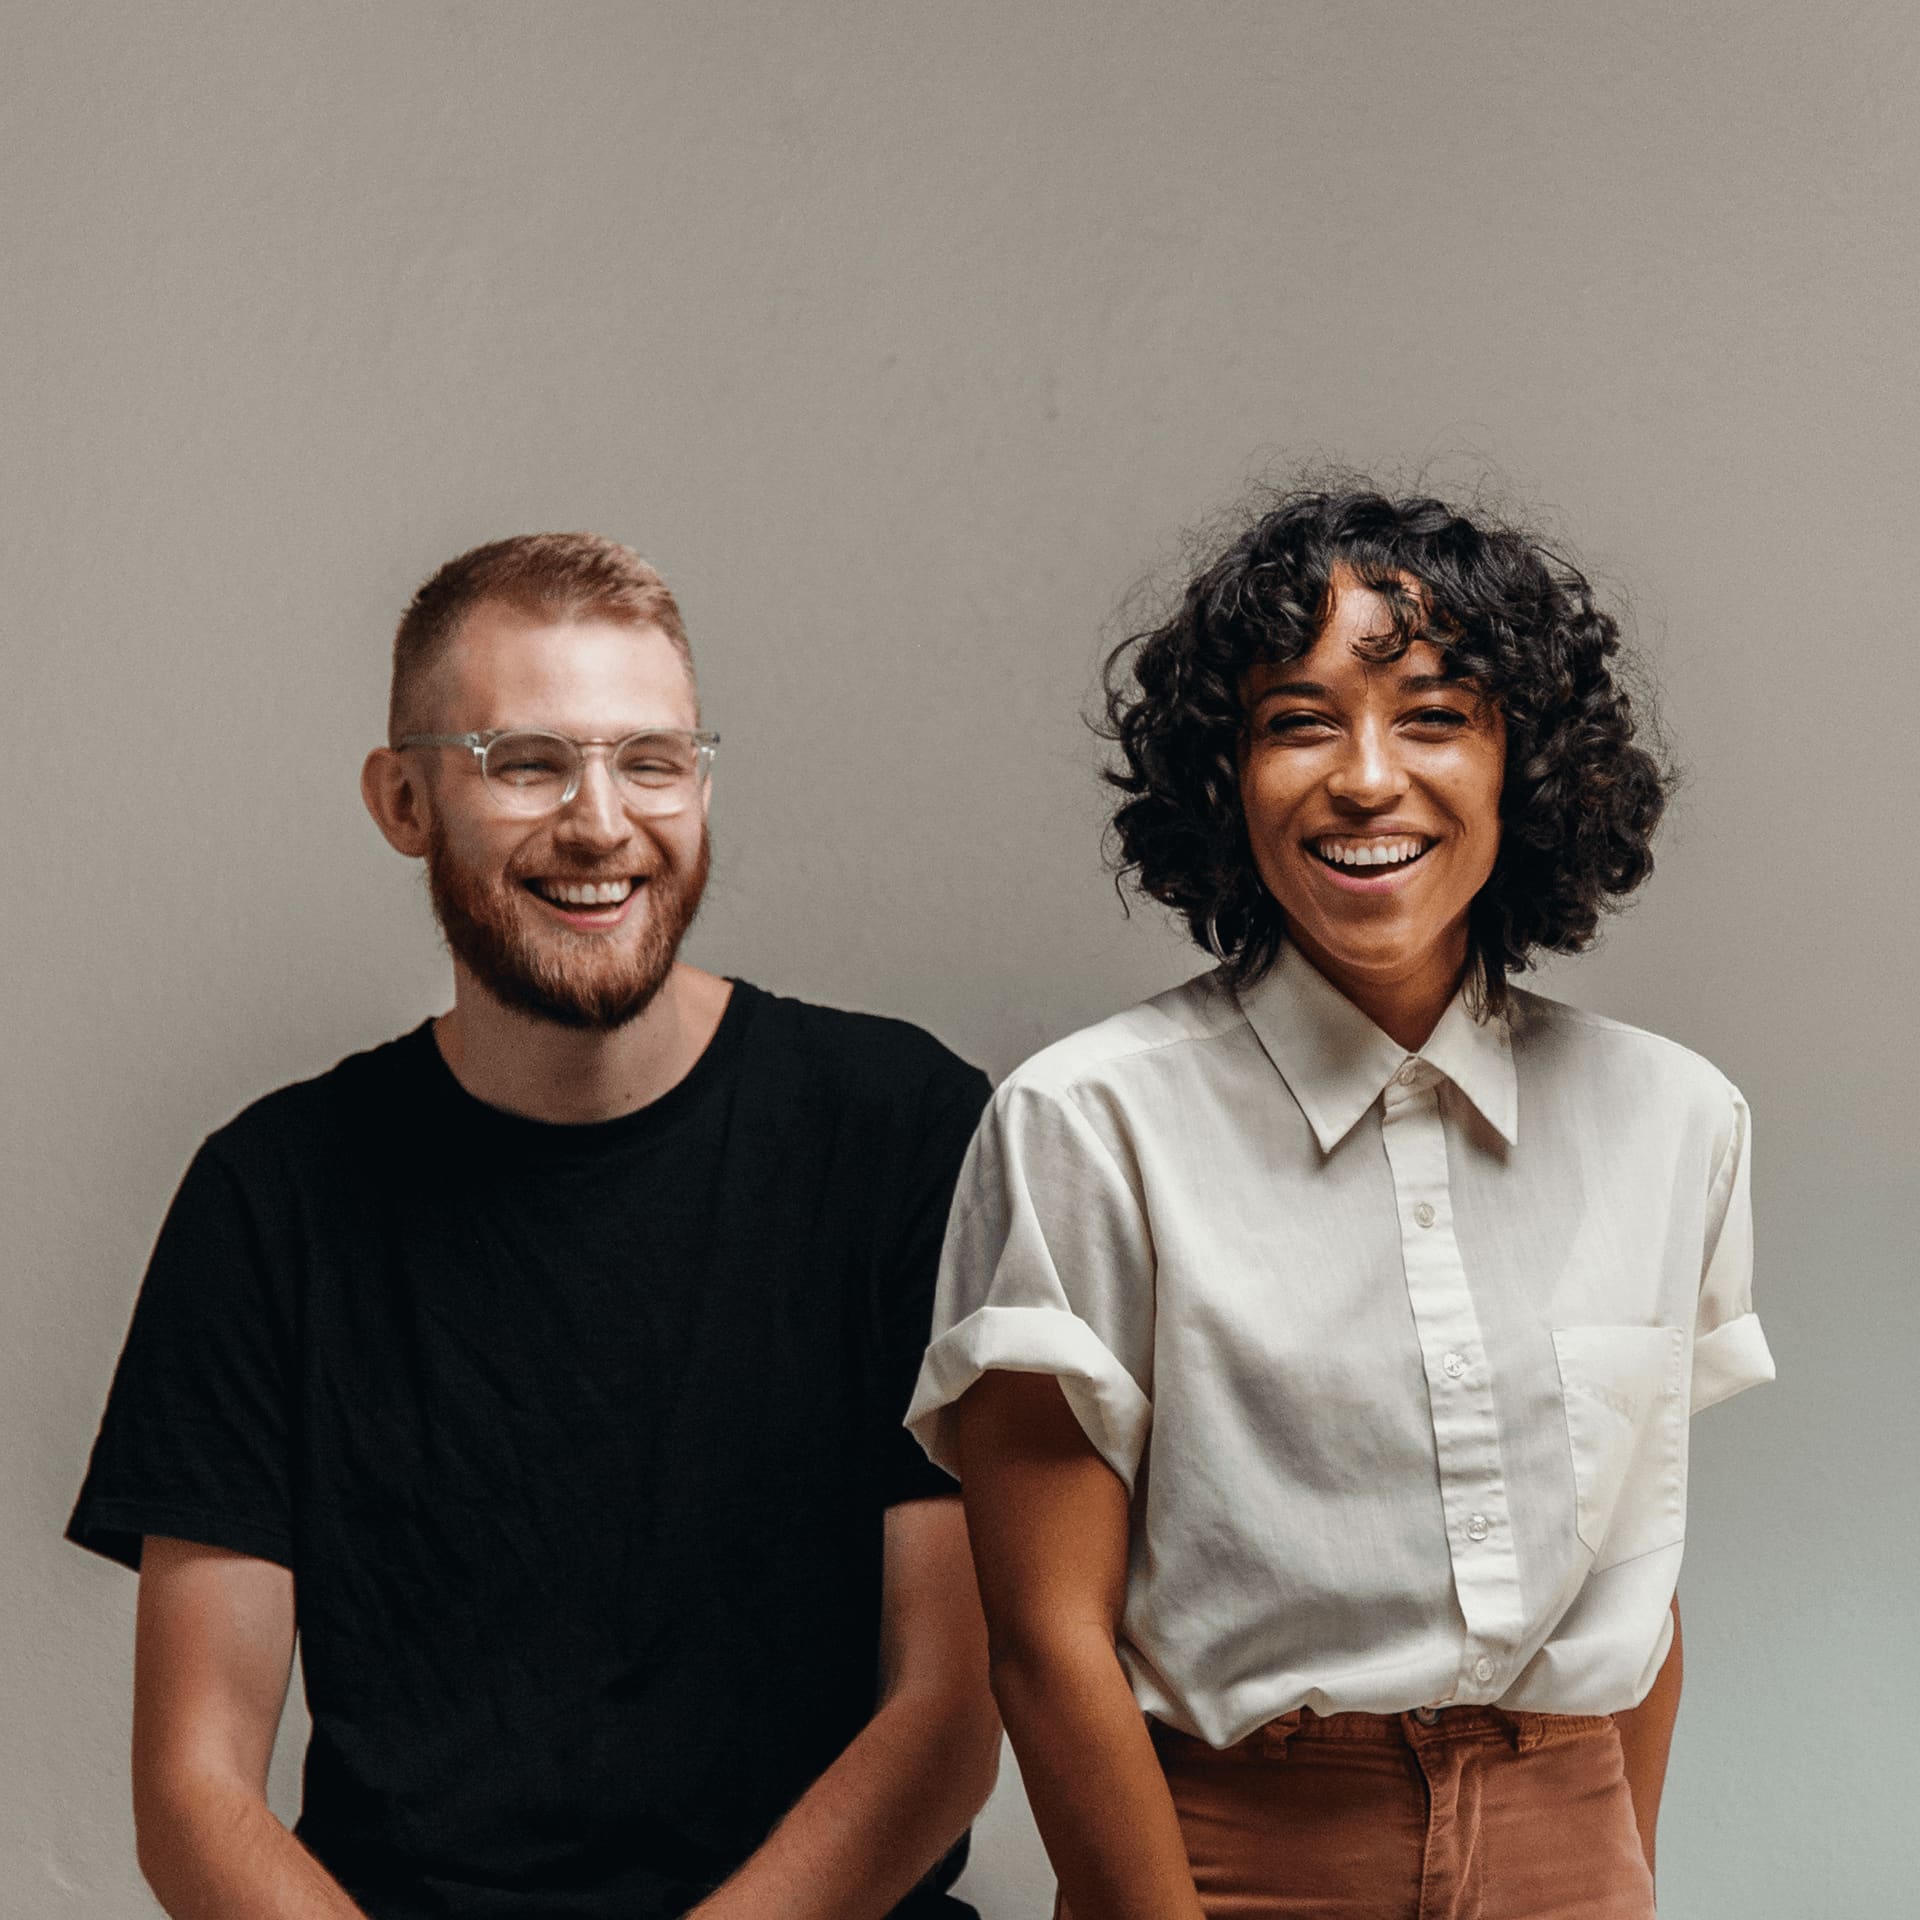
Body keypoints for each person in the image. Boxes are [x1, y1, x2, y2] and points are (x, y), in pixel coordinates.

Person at [68, 532, 1001, 1920]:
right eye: (527, 762)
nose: (602, 821)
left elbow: (948, 1713)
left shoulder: (903, 1131)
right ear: (402, 799)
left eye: (653, 759)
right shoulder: (269, 1199)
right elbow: (194, 1793)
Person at [905, 488, 1775, 1919]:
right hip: (1230, 1864)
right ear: (1224, 776)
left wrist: (1610, 1873)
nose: (1366, 778)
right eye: (1298, 721)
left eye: (1434, 714)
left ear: (1526, 767)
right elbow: (1047, 1646)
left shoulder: (1675, 1120)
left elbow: (1636, 1593)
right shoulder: (1086, 1124)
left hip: (1571, 1845)